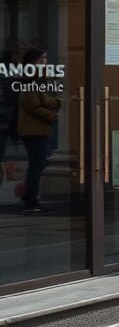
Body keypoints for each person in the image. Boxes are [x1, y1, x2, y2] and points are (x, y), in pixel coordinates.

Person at [17, 48, 61, 214]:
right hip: (33, 129)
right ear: (34, 61)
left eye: (46, 58)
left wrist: (54, 102)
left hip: (37, 129)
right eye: (42, 58)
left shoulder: (38, 78)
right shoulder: (30, 78)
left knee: (37, 163)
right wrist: (51, 115)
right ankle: (31, 200)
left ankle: (30, 197)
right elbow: (33, 105)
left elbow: (45, 99)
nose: (45, 62)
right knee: (38, 164)